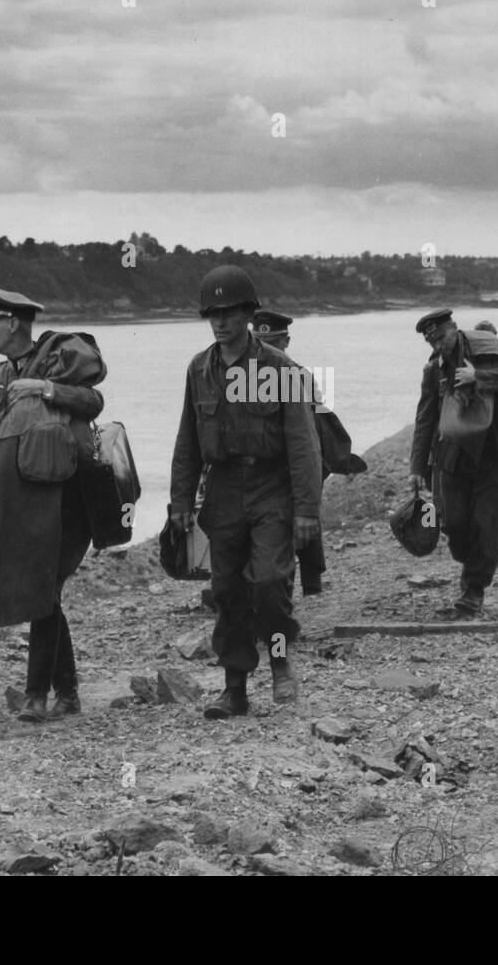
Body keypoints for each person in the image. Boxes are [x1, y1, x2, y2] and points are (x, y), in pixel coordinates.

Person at [0, 282, 106, 723]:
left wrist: (47, 389)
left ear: (12, 323)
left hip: (65, 500)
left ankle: (38, 695)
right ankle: (67, 693)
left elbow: (93, 401)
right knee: (45, 592)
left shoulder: (55, 361)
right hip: (19, 502)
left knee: (44, 588)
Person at [170, 268, 321, 718]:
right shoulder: (200, 369)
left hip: (273, 486)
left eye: (229, 312)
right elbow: (187, 442)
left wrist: (307, 509)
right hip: (223, 490)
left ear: (248, 314)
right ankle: (234, 688)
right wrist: (180, 502)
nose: (220, 322)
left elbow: (303, 444)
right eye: (213, 314)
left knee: (272, 582)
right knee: (227, 590)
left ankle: (279, 660)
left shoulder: (280, 369)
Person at [410, 309, 498, 617]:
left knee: (486, 523)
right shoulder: (433, 370)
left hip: (493, 450)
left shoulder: (488, 348)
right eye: (430, 340)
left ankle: (473, 590)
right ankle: (468, 559)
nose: (437, 344)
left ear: (454, 329)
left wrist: (480, 377)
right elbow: (424, 419)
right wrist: (416, 468)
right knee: (452, 521)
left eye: (441, 337)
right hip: (451, 454)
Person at [251, 308, 365, 596]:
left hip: (296, 463)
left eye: (272, 344)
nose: (264, 351)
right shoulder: (242, 377)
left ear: (285, 342)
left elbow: (318, 424)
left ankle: (303, 583)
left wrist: (333, 459)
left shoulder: (299, 376)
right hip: (260, 468)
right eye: (259, 344)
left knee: (300, 517)